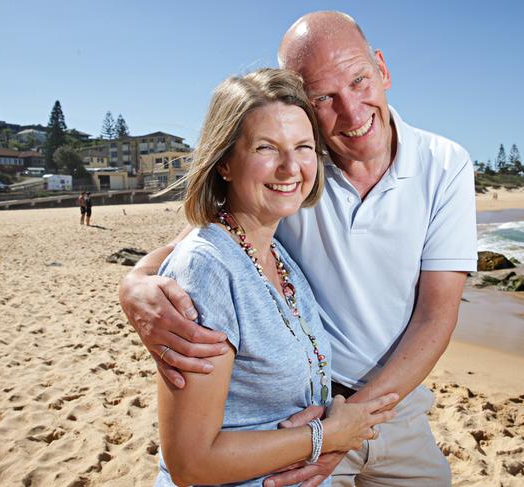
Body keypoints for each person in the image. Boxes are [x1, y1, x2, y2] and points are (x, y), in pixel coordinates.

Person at [120, 11, 477, 487]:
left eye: (359, 79)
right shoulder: (294, 171)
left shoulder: (445, 164)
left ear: (383, 69)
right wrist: (136, 283)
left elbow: (436, 315)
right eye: (324, 97)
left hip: (394, 405)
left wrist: (345, 429)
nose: (351, 112)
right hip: (301, 410)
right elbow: (204, 245)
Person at [153, 68, 397, 486]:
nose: (290, 168)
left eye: (303, 147)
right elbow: (190, 462)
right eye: (267, 148)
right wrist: (326, 436)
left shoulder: (280, 255)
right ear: (225, 162)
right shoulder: (207, 268)